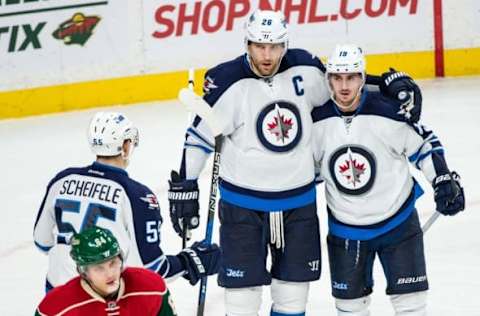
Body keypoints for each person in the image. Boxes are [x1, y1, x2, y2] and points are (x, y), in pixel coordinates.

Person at [168, 10, 423, 316]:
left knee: (292, 297)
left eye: (274, 46)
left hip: (298, 205)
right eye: (259, 46)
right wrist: (186, 184)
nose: (267, 55)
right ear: (246, 43)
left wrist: (387, 85)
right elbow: (199, 137)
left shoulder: (307, 68)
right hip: (242, 206)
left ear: (284, 44)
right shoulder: (225, 81)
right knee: (242, 300)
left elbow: (343, 83)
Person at [311, 44, 465, 316]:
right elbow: (304, 171)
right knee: (350, 309)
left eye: (352, 77)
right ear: (328, 80)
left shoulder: (388, 112)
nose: (344, 86)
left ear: (362, 77)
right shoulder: (315, 122)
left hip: (398, 224)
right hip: (346, 230)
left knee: (411, 307)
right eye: (337, 78)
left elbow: (423, 145)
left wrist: (441, 179)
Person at [33, 111, 220, 293]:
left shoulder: (62, 180)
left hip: (56, 299)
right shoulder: (137, 196)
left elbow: (42, 242)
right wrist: (190, 261)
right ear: (125, 146)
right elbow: (154, 270)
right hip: (101, 301)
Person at [35, 226, 178, 315]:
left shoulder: (151, 288)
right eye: (99, 268)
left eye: (113, 263)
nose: (110, 274)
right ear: (83, 272)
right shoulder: (56, 308)